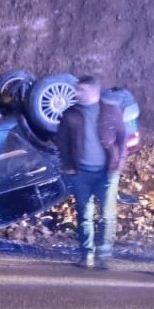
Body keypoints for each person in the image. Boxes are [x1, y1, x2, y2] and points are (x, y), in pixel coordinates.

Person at [55, 76, 129, 270]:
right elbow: (61, 142)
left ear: (94, 91)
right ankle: (87, 254)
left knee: (107, 214)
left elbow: (122, 137)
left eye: (82, 90)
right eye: (77, 89)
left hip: (107, 172)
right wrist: (68, 165)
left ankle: (104, 255)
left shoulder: (111, 110)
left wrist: (119, 162)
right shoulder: (70, 114)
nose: (77, 93)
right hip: (81, 173)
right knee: (84, 214)